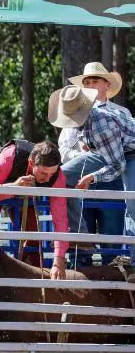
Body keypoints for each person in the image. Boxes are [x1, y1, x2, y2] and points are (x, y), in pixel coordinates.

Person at [53, 85, 135, 261]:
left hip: (130, 154)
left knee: (133, 205)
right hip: (106, 152)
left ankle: (133, 264)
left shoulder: (102, 125)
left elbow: (118, 165)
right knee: (60, 177)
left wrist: (93, 176)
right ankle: (80, 237)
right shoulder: (90, 119)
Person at [0, 140, 69, 276]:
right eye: (43, 173)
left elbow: (61, 220)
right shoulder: (10, 156)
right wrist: (12, 187)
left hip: (22, 190)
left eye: (51, 174)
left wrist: (59, 260)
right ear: (31, 163)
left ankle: (29, 284)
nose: (47, 179)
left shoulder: (58, 177)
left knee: (33, 241)